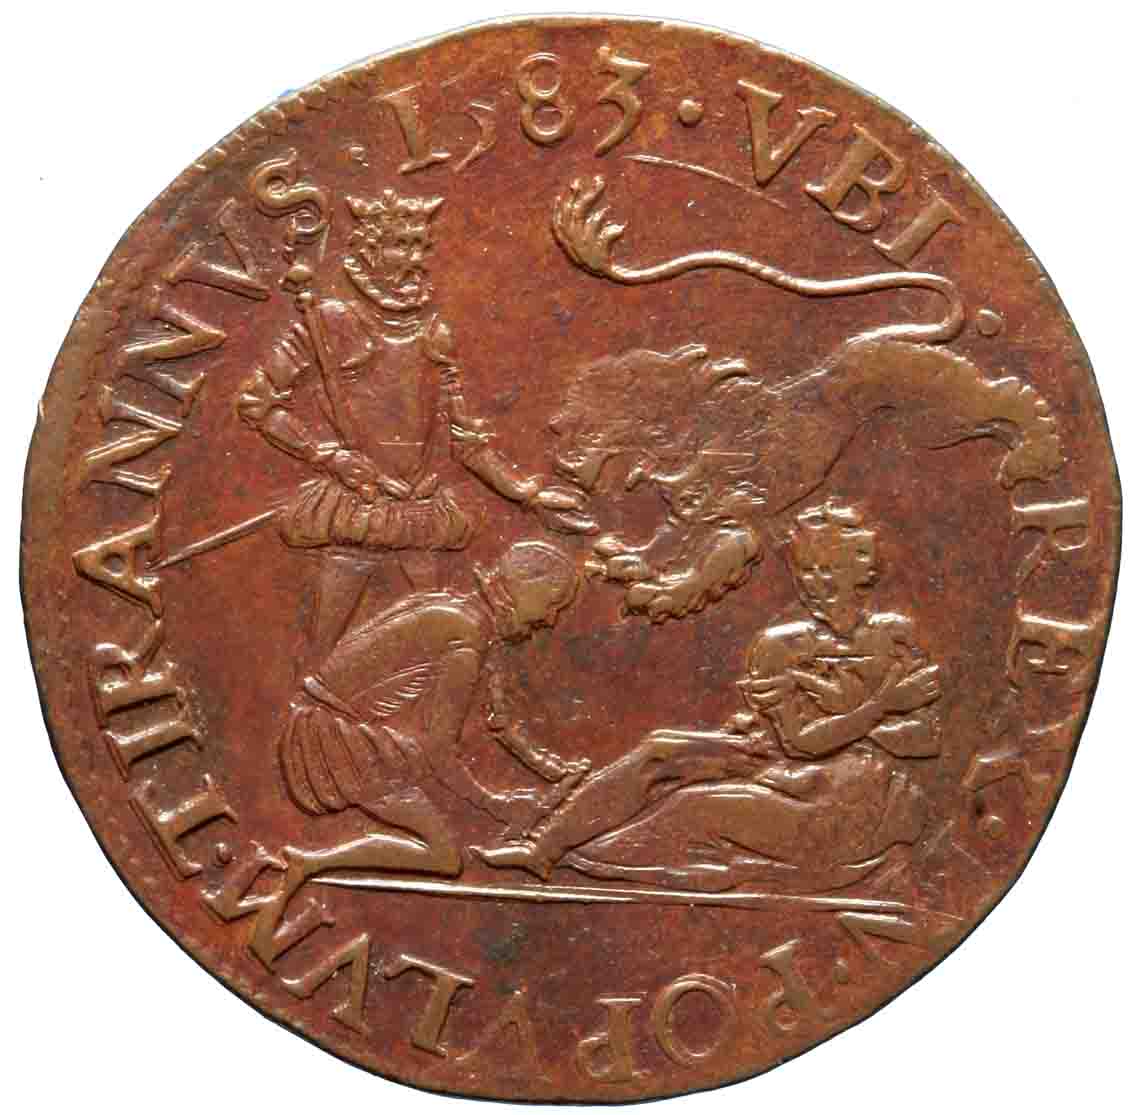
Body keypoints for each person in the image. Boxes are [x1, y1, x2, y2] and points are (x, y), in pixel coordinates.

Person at [475, 499, 943, 891]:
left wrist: (849, 720)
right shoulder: (781, 646)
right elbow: (801, 742)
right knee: (662, 749)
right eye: (806, 571)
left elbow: (924, 741)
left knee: (691, 807)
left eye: (829, 572)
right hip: (793, 772)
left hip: (847, 811)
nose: (813, 584)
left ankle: (593, 855)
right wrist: (878, 712)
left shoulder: (895, 638)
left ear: (861, 572)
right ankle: (545, 848)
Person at [273, 539, 586, 894]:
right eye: (551, 604)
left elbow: (497, 720)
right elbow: (438, 749)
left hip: (327, 727)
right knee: (444, 855)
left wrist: (551, 770)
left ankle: (308, 864)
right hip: (330, 741)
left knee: (439, 836)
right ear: (525, 589)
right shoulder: (466, 638)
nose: (549, 619)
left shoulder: (457, 612)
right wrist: (496, 806)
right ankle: (308, 863)